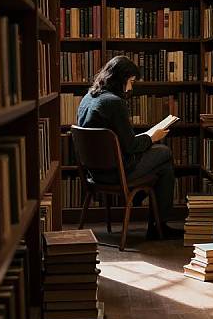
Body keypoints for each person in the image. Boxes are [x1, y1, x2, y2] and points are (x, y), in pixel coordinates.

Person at [77, 55, 181, 239]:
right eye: (130, 81)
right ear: (120, 79)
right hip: (117, 173)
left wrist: (146, 138)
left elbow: (117, 141)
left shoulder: (88, 97)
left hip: (93, 173)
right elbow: (131, 146)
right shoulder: (115, 103)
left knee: (160, 167)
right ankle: (157, 224)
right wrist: (153, 138)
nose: (131, 87)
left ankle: (149, 213)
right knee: (165, 155)